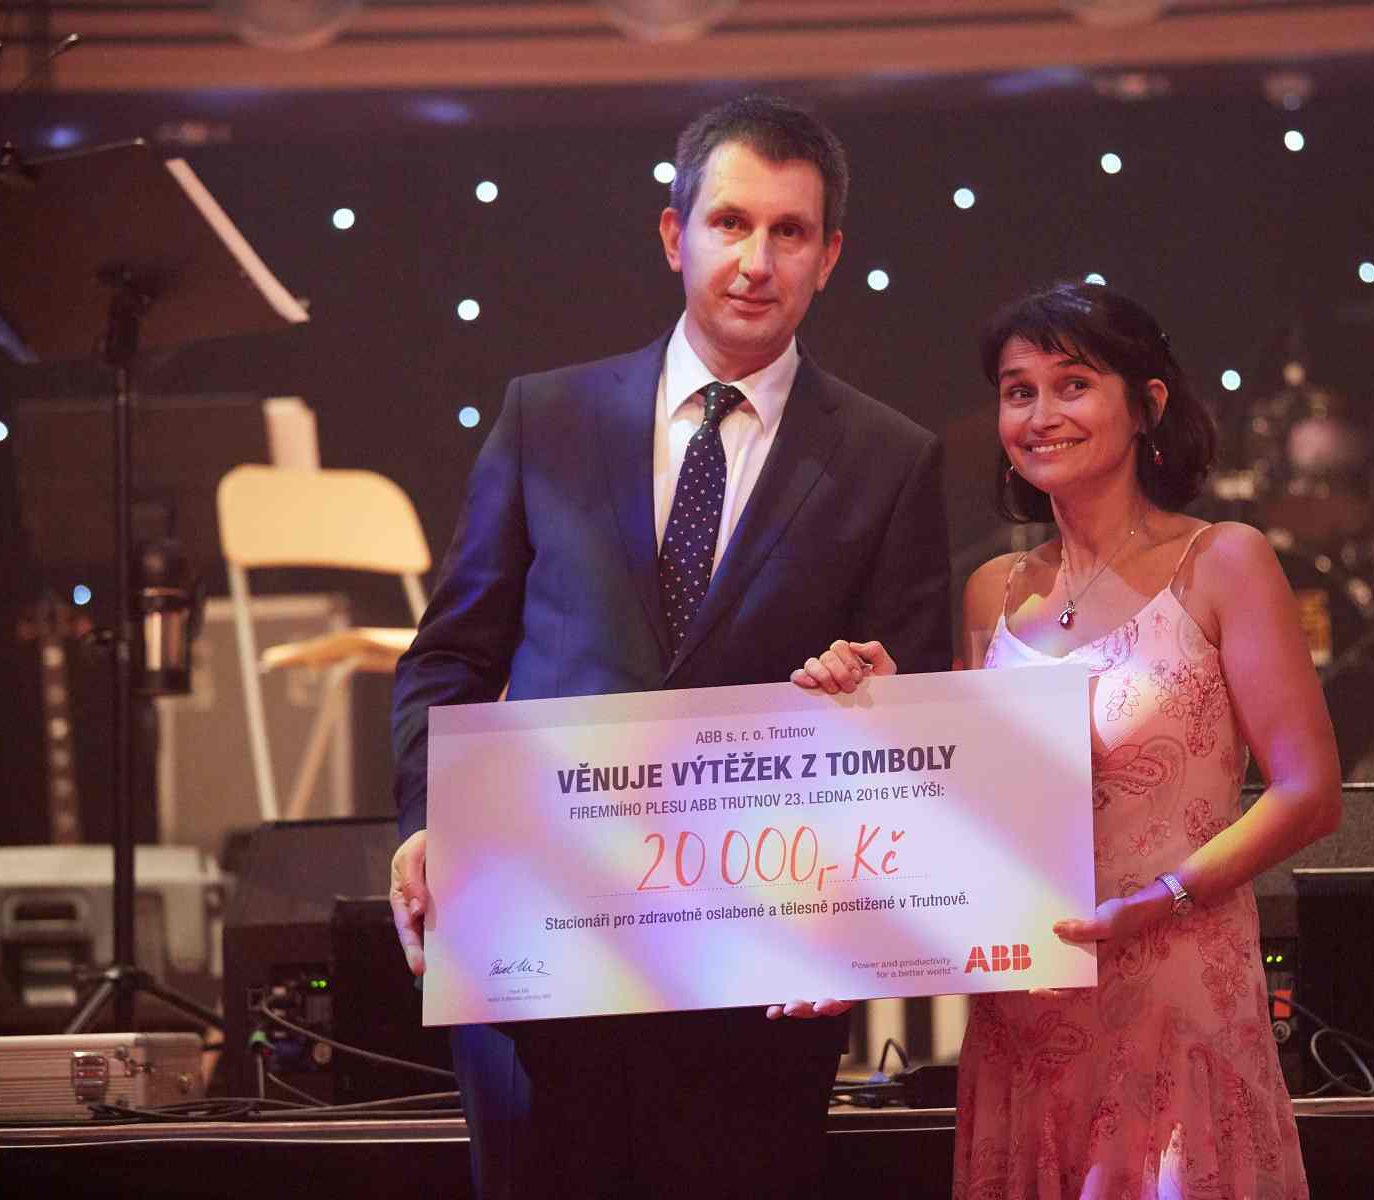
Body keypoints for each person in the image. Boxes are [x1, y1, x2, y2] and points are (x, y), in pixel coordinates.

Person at [385, 95, 952, 1200]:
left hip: (758, 982)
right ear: (673, 234)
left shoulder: (891, 459)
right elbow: (449, 659)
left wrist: (858, 919)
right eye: (730, 222)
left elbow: (918, 719)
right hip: (538, 951)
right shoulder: (545, 418)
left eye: (790, 232)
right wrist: (424, 819)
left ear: (829, 256)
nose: (756, 260)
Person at [951, 280, 1341, 1200]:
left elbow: (1309, 791)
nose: (1041, 415)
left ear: (1147, 404)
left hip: (1176, 999)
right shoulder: (991, 591)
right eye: (1018, 391)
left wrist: (1161, 899)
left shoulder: (1224, 560)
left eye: (1074, 384)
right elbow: (969, 810)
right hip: (1025, 1021)